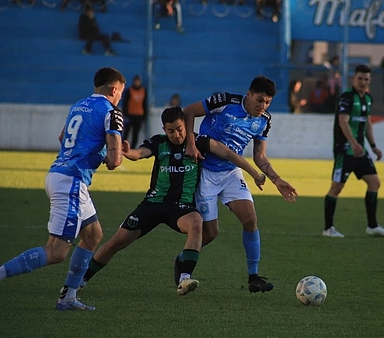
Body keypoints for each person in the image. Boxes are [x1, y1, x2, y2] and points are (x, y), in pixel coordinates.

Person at [0, 67, 126, 311]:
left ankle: (68, 297)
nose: (120, 97)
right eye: (120, 92)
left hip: (62, 174)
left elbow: (62, 138)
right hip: (71, 181)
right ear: (114, 89)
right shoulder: (112, 113)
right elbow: (114, 161)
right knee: (56, 251)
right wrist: (118, 150)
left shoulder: (79, 105)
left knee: (93, 236)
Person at [80, 107, 266, 296]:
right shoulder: (158, 142)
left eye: (179, 129)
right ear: (164, 129)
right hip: (153, 204)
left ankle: (184, 277)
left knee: (196, 223)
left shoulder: (198, 142)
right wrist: (128, 153)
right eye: (171, 131)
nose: (176, 135)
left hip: (181, 207)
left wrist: (254, 173)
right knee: (115, 243)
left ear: (185, 124)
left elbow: (228, 154)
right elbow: (140, 153)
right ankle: (81, 280)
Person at [182, 76, 298, 293]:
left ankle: (254, 277)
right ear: (249, 94)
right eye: (260, 100)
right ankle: (183, 260)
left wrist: (277, 179)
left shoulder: (264, 120)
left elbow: (260, 157)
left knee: (250, 218)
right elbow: (189, 111)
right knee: (210, 233)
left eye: (268, 103)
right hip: (206, 171)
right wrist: (191, 143)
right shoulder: (225, 101)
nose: (262, 106)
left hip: (231, 173)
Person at [323, 64, 384, 238]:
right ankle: (328, 228)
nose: (363, 82)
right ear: (354, 78)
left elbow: (368, 123)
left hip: (360, 151)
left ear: (370, 81)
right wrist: (353, 143)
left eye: (366, 79)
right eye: (360, 78)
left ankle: (372, 226)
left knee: (375, 183)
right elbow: (343, 121)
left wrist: (374, 146)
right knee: (336, 188)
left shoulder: (367, 98)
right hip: (345, 150)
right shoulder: (346, 98)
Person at [122, 75, 149, 149]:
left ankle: (133, 148)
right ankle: (122, 147)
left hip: (139, 115)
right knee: (126, 133)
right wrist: (125, 115)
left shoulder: (143, 91)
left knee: (135, 134)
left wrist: (144, 116)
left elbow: (144, 104)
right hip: (130, 115)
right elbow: (125, 103)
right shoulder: (129, 90)